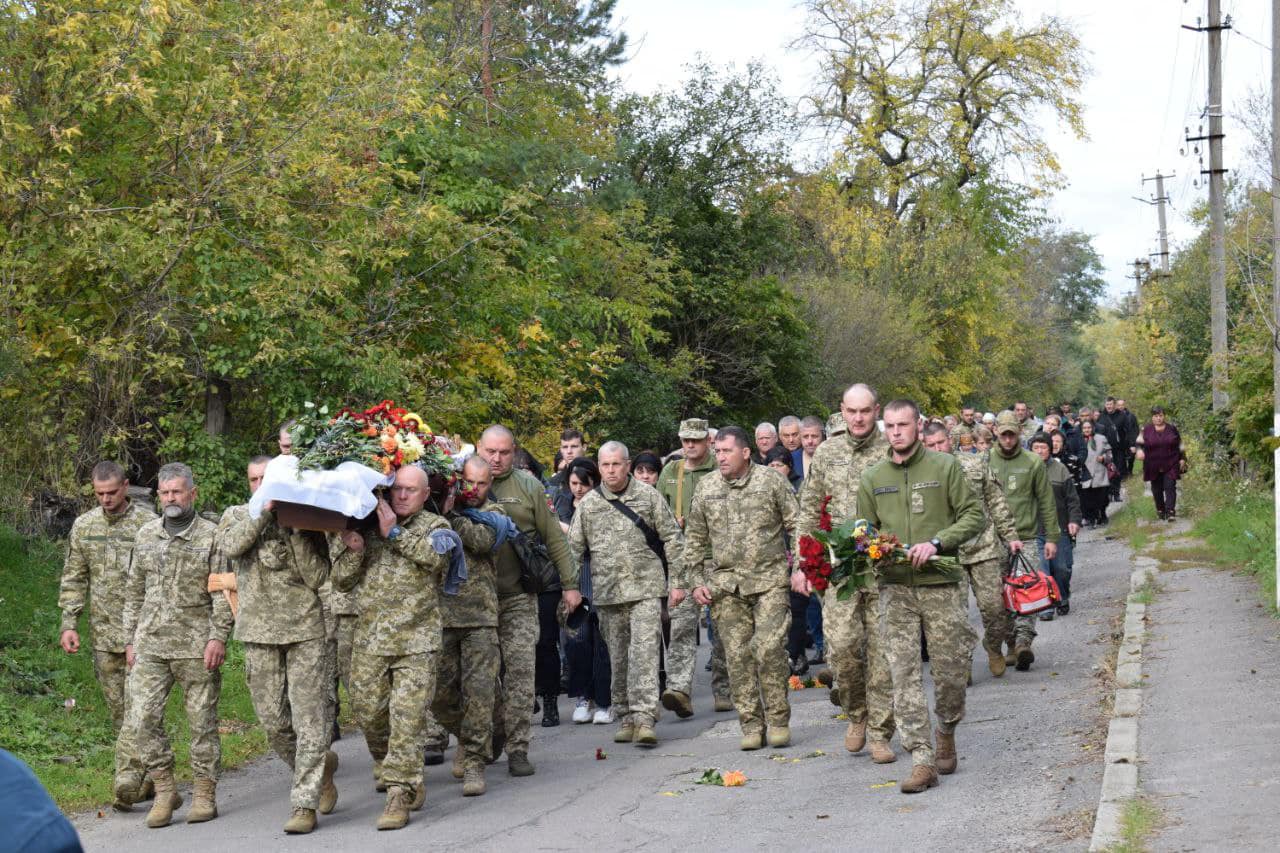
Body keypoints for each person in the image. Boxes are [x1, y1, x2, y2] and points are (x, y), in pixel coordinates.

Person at [856, 400, 984, 794]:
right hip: (895, 587)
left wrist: (938, 542)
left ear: (918, 426)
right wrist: (873, 547)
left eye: (903, 425)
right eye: (890, 426)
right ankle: (921, 757)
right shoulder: (873, 477)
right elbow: (862, 531)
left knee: (951, 671)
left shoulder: (945, 468)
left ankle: (946, 727)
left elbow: (973, 516)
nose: (896, 432)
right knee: (903, 673)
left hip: (941, 584)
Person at [332, 465, 458, 830]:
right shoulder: (365, 526)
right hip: (371, 642)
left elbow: (435, 559)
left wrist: (395, 533)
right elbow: (340, 582)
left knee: (407, 719)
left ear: (425, 495)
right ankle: (398, 768)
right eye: (397, 489)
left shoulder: (437, 527)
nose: (401, 496)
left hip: (417, 643)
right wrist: (356, 550)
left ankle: (398, 794)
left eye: (410, 490)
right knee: (369, 714)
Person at [215, 456, 337, 834]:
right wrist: (265, 512)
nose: (259, 484)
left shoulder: (304, 519)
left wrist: (297, 530)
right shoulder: (236, 515)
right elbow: (233, 546)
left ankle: (304, 803)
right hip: (258, 634)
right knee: (274, 723)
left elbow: (318, 577)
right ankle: (319, 769)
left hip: (305, 631)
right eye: (254, 479)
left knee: (309, 720)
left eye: (266, 479)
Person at [674, 426, 802, 751]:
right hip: (726, 586)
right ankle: (751, 724)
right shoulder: (707, 487)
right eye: (717, 451)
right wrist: (695, 581)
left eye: (726, 451)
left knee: (770, 650)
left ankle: (778, 719)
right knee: (737, 656)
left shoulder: (771, 481)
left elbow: (797, 524)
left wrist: (800, 566)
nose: (720, 457)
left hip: (769, 580)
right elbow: (694, 539)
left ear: (745, 452)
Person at [122, 463, 232, 828]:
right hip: (151, 643)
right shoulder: (146, 535)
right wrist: (129, 640)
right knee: (141, 718)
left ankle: (204, 791)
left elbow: (222, 593)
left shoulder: (212, 536)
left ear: (192, 494)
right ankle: (165, 788)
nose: (171, 498)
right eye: (165, 492)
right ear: (159, 495)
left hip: (196, 645)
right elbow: (134, 591)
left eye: (177, 492)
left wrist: (218, 636)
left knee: (202, 723)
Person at [797, 384, 896, 762]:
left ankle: (881, 733)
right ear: (842, 410)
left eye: (865, 411)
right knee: (840, 648)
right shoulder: (828, 452)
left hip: (884, 566)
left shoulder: (891, 448)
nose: (858, 418)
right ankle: (856, 713)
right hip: (841, 569)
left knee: (883, 654)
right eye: (851, 411)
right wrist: (803, 562)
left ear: (876, 411)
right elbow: (809, 509)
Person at [478, 425, 580, 777]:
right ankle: (491, 731)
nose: (496, 458)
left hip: (519, 596)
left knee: (521, 673)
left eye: (504, 452)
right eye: (490, 451)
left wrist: (570, 584)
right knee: (481, 678)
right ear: (478, 448)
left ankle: (518, 747)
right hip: (475, 601)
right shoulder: (463, 484)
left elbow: (555, 538)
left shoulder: (529, 487)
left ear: (515, 452)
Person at [57, 461, 157, 812]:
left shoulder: (147, 524)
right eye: (99, 494)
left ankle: (128, 782)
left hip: (142, 635)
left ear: (125, 486)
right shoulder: (85, 526)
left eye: (112, 492)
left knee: (140, 710)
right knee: (119, 713)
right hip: (104, 635)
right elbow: (74, 576)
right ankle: (147, 775)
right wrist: (69, 623)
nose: (106, 499)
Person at [569, 442, 683, 747]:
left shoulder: (648, 496)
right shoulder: (589, 505)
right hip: (608, 595)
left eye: (616, 464)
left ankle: (645, 718)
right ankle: (626, 715)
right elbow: (573, 550)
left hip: (646, 589)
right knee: (618, 659)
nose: (611, 471)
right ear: (599, 467)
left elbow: (673, 538)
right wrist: (570, 588)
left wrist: (677, 582)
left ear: (627, 465)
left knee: (644, 655)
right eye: (605, 465)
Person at [920, 423, 1020, 679]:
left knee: (994, 608)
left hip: (983, 546)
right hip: (947, 552)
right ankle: (962, 663)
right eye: (931, 445)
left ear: (950, 440)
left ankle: (993, 646)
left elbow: (996, 501)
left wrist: (1010, 536)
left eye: (941, 442)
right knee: (954, 616)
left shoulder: (975, 465)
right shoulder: (920, 475)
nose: (937, 448)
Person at [433, 456, 506, 797]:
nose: (474, 490)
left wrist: (450, 516)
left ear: (490, 484)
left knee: (478, 694)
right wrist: (442, 510)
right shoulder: (437, 511)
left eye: (481, 484)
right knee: (438, 695)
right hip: (441, 617)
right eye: (469, 482)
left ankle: (475, 761)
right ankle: (473, 735)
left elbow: (481, 540)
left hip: (480, 618)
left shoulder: (495, 514)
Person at [655, 418, 731, 716]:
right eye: (685, 440)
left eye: (696, 440)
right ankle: (679, 690)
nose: (690, 445)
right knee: (681, 626)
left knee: (723, 627)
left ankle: (723, 690)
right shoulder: (672, 471)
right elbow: (658, 513)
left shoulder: (720, 468)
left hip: (718, 558)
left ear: (707, 441)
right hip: (684, 560)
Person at [987, 412, 1058, 671]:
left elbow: (1046, 501)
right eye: (1003, 434)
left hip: (1025, 536)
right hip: (993, 540)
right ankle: (1009, 643)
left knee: (1028, 590)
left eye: (1012, 434)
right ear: (996, 432)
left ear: (1019, 433)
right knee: (998, 596)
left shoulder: (1032, 462)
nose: (1007, 439)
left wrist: (1052, 537)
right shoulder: (985, 461)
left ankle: (1023, 642)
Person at [556, 458, 614, 726]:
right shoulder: (561, 505)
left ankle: (604, 701)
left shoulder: (603, 503)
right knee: (577, 638)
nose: (578, 489)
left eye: (584, 484)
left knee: (601, 639)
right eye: (574, 483)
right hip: (572, 573)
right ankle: (582, 697)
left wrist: (569, 531)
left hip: (599, 570)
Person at [1029, 434, 1081, 620]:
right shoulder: (1025, 470)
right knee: (1041, 570)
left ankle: (1063, 596)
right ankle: (1046, 606)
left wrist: (1074, 520)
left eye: (1043, 447)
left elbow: (1072, 499)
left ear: (1050, 449)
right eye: (1036, 447)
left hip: (1059, 528)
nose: (1040, 451)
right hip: (1034, 529)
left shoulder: (1060, 469)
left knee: (1062, 569)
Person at [1136, 406, 1187, 521]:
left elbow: (1180, 444)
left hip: (1171, 462)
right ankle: (1160, 509)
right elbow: (1138, 443)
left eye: (1161, 416)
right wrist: (1139, 451)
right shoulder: (1145, 430)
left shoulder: (1172, 429)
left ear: (1164, 416)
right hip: (1152, 464)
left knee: (1170, 486)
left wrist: (1183, 458)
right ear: (1152, 417)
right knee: (1156, 489)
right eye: (1156, 416)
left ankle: (1170, 511)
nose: (1158, 418)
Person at [1079, 419, 1114, 526]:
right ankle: (1092, 518)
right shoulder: (1078, 440)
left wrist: (1103, 458)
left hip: (1099, 472)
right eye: (1084, 428)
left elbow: (1109, 454)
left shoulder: (1101, 438)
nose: (1087, 430)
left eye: (1089, 427)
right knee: (1088, 499)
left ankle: (1102, 514)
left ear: (1093, 428)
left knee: (1102, 498)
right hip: (1085, 473)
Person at [546, 429, 586, 501]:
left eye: (574, 446)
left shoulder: (599, 479)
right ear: (561, 450)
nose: (569, 451)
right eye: (565, 447)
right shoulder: (552, 483)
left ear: (584, 447)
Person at [1116, 399, 1140, 478]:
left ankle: (1130, 471)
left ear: (1124, 405)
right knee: (1121, 458)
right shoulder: (1114, 416)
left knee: (1131, 457)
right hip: (1119, 441)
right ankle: (1124, 473)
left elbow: (1135, 429)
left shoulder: (1131, 416)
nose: (1120, 407)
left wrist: (1134, 442)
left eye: (1122, 405)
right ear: (1116, 406)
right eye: (1119, 405)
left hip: (1130, 440)